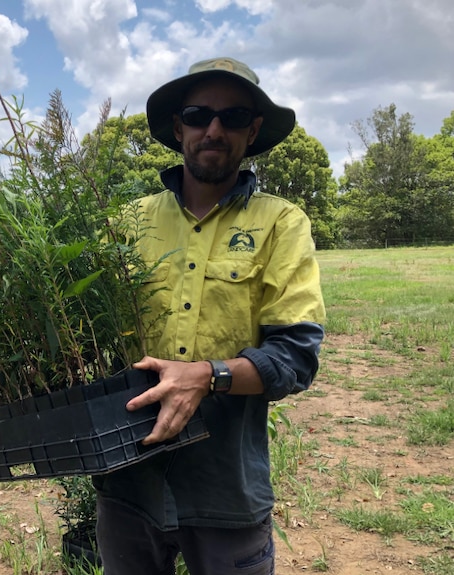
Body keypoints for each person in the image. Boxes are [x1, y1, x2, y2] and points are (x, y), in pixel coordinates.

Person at [93, 57, 326, 574]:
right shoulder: (127, 224)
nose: (214, 130)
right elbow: (86, 332)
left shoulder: (280, 222)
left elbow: (294, 358)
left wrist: (207, 376)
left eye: (234, 117)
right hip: (127, 478)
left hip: (227, 488)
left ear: (254, 130)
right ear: (179, 128)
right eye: (199, 115)